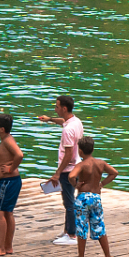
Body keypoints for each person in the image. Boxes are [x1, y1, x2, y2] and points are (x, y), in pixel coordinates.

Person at [38, 95, 84, 247]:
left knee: (69, 201)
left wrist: (58, 172)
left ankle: (71, 235)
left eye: (57, 107)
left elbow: (68, 154)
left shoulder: (68, 131)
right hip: (77, 166)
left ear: (64, 108)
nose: (55, 108)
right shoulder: (75, 122)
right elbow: (63, 121)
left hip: (68, 170)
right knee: (70, 200)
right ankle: (68, 230)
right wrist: (49, 119)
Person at [67, 135, 118, 257]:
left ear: (80, 151)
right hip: (96, 197)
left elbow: (71, 176)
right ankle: (108, 256)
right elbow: (114, 173)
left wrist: (76, 184)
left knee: (82, 226)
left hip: (83, 197)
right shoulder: (100, 163)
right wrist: (102, 184)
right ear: (93, 149)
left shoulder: (82, 165)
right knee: (99, 225)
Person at [0, 114, 24, 256]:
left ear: (2, 129)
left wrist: (10, 169)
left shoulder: (8, 141)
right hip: (10, 182)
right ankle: (8, 246)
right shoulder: (7, 140)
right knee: (7, 212)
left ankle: (1, 248)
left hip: (8, 181)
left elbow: (19, 155)